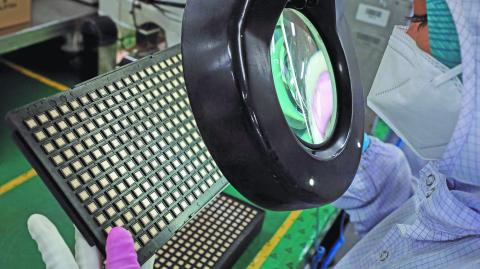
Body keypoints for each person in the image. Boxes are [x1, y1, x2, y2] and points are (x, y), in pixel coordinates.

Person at [332, 0, 480, 268]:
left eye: (421, 21)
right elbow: (423, 240)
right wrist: (365, 166)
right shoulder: (467, 183)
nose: (403, 36)